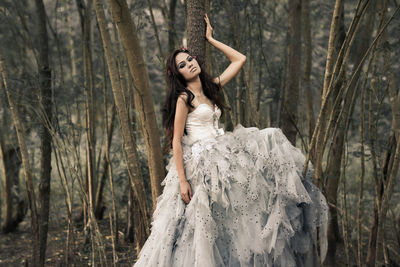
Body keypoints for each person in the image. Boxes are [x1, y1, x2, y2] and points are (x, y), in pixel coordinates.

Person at [133, 14, 328, 267]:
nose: (190, 64)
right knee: (201, 225)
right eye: (183, 64)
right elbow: (177, 143)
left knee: (265, 152)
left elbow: (240, 59)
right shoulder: (184, 99)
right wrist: (182, 180)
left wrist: (210, 39)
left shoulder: (211, 87)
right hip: (201, 163)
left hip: (225, 154)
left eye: (190, 58)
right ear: (178, 74)